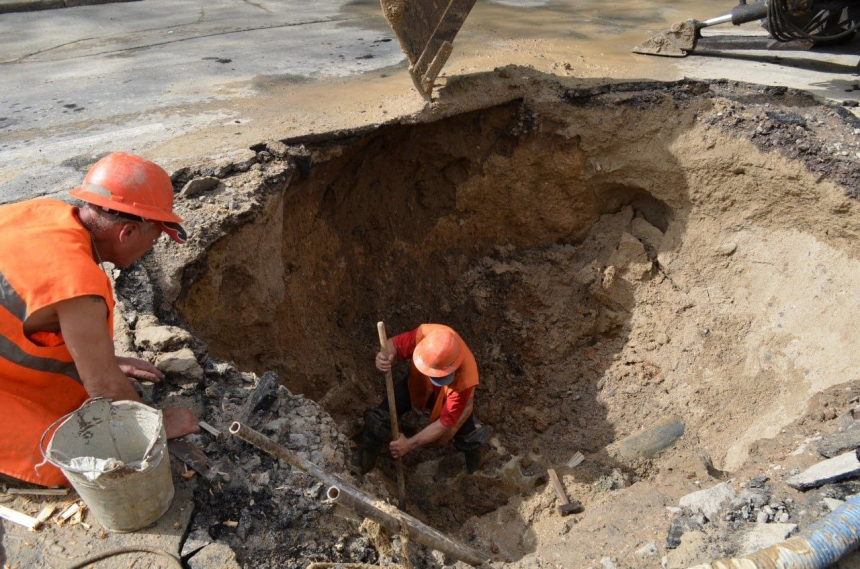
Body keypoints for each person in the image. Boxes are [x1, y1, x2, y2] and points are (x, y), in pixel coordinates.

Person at [0, 152, 200, 488]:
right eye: (153, 238)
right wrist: (159, 425)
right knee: (80, 465)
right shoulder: (79, 283)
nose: (150, 249)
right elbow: (104, 387)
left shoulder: (43, 213)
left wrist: (105, 359)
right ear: (127, 232)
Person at [356, 323, 490, 475]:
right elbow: (391, 346)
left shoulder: (465, 379)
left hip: (453, 395)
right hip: (419, 383)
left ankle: (474, 472)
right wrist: (383, 358)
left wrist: (409, 444)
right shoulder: (425, 335)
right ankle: (361, 463)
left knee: (468, 435)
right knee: (378, 418)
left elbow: (444, 424)